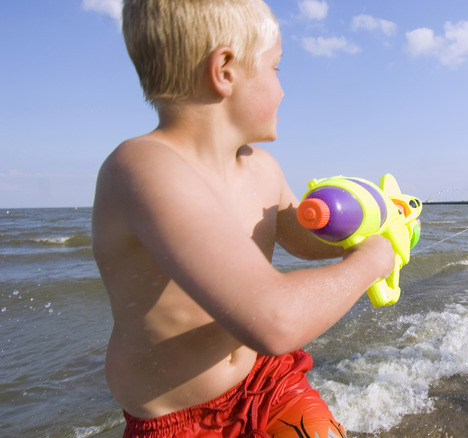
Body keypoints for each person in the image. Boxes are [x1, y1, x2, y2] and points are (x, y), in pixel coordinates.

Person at [91, 1, 396, 436]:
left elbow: (307, 238)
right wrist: (372, 261)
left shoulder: (261, 168)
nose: (284, 90)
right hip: (178, 421)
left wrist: (370, 218)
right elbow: (274, 321)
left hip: (266, 381)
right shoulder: (144, 169)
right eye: (276, 69)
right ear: (226, 70)